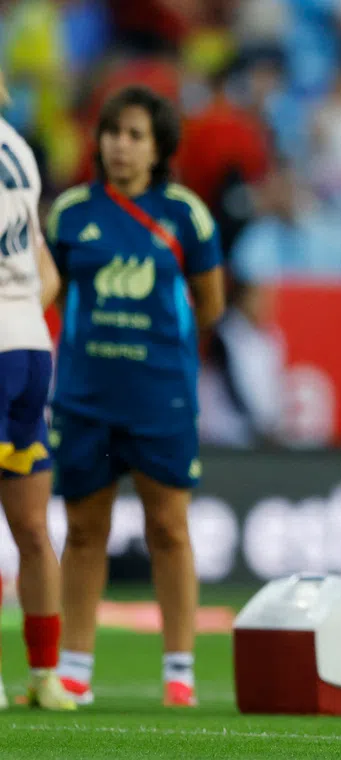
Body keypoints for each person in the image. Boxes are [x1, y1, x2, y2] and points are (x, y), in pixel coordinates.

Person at [46, 86, 226, 707]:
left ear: (159, 148)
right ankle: (74, 666)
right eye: (112, 132)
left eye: (135, 135)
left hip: (160, 399)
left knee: (169, 530)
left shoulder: (186, 215)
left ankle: (179, 670)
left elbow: (212, 304)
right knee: (83, 530)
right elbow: (48, 292)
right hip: (84, 396)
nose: (120, 146)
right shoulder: (69, 212)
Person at [0, 68, 76, 711]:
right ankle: (45, 676)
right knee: (30, 525)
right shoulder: (18, 146)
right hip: (29, 346)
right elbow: (45, 269)